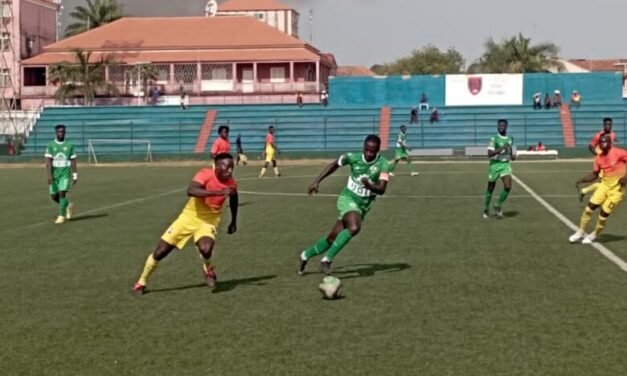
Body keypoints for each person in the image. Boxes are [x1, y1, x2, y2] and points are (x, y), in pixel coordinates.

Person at [133, 153, 239, 294]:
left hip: (208, 221)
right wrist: (216, 192)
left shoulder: (231, 183)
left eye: (232, 167)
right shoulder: (205, 174)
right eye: (227, 167)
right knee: (160, 252)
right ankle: (141, 282)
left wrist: (233, 221)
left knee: (206, 249)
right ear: (216, 165)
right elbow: (191, 190)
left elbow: (234, 199)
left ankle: (209, 270)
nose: (230, 171)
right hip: (188, 218)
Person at [298, 135, 389, 275]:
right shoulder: (352, 157)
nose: (369, 154)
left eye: (373, 151)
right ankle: (326, 260)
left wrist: (369, 185)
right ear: (363, 148)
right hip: (347, 198)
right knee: (354, 227)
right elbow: (334, 164)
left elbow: (382, 190)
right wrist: (317, 181)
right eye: (367, 150)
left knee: (332, 238)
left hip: (364, 205)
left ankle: (305, 255)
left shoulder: (383, 164)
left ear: (378, 150)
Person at [569, 135, 627, 244]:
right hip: (603, 187)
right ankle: (580, 232)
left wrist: (625, 177)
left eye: (605, 142)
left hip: (616, 191)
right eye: (601, 142)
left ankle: (594, 234)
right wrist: (582, 180)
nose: (603, 144)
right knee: (588, 209)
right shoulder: (598, 158)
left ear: (610, 143)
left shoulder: (619, 153)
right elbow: (594, 174)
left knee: (603, 216)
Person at [578, 118, 617, 201]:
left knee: (606, 181)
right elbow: (590, 146)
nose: (608, 126)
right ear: (603, 125)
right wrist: (598, 155)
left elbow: (611, 143)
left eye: (609, 124)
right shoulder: (598, 135)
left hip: (610, 160)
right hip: (602, 161)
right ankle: (590, 195)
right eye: (606, 124)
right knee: (606, 182)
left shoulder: (613, 134)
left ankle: (584, 191)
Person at [45, 124, 77, 224]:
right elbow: (48, 161)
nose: (61, 133)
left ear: (65, 133)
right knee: (53, 196)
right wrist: (49, 175)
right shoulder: (51, 145)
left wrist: (75, 174)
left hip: (65, 173)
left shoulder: (70, 145)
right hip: (55, 174)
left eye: (63, 131)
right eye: (59, 131)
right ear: (56, 133)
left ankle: (61, 216)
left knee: (62, 193)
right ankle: (68, 205)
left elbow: (73, 160)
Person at [483, 119, 516, 219]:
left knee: (508, 186)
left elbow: (513, 157)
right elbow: (489, 154)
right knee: (490, 188)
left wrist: (511, 151)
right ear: (497, 126)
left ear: (506, 126)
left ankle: (497, 205)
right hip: (495, 165)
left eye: (503, 125)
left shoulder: (511, 138)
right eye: (499, 125)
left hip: (505, 165)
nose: (501, 127)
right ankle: (486, 209)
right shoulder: (494, 138)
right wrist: (502, 148)